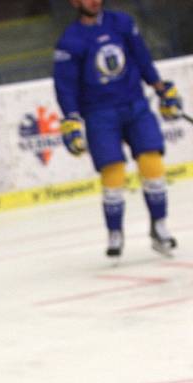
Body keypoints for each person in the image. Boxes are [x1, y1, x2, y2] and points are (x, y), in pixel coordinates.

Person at [53, 0, 183, 258]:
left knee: (152, 162)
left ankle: (159, 227)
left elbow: (142, 57)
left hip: (135, 105)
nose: (94, 1)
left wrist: (160, 87)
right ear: (74, 2)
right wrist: (71, 118)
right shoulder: (70, 41)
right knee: (113, 171)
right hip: (99, 113)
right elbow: (65, 86)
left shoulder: (122, 23)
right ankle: (115, 232)